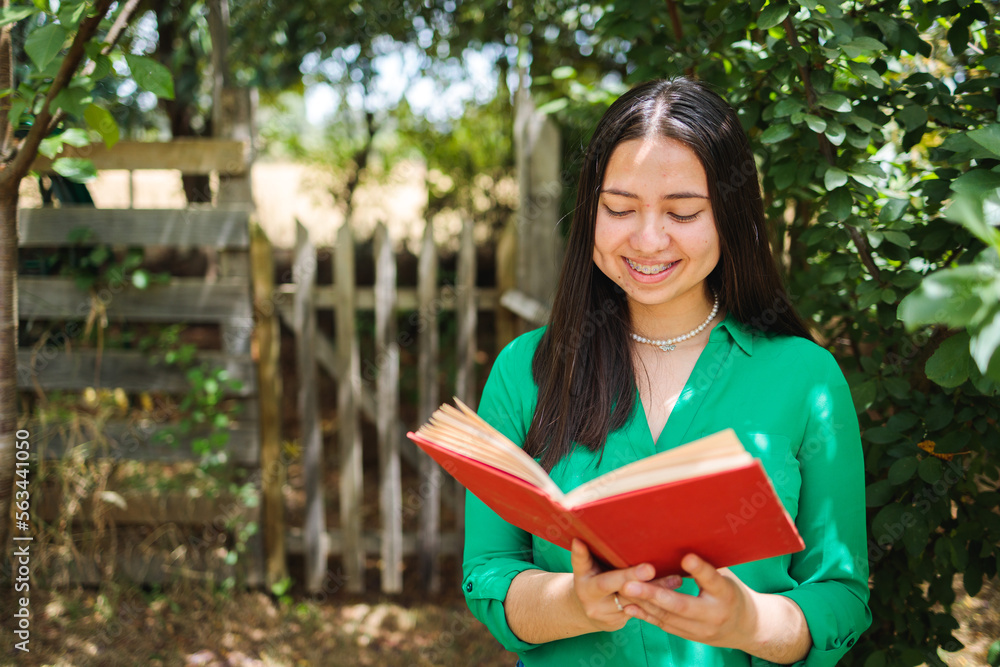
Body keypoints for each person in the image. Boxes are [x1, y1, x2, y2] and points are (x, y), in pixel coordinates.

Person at [462, 77, 871, 666]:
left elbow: (842, 594)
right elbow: (489, 574)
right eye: (620, 209)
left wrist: (749, 623)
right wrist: (576, 604)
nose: (648, 239)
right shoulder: (525, 371)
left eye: (682, 212)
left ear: (730, 217)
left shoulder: (807, 378)